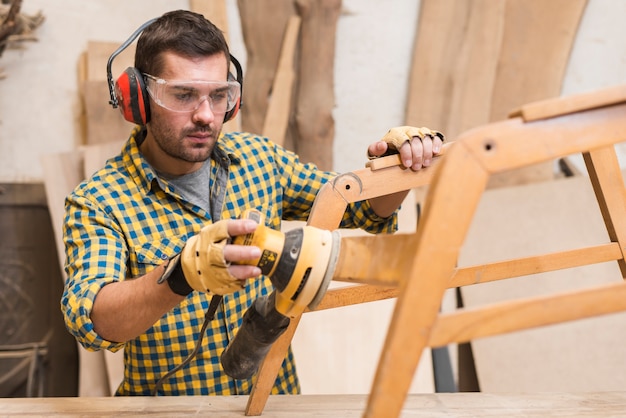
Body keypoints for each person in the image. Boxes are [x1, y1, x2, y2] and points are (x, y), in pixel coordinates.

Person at [61, 9, 443, 397]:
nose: (206, 116)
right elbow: (92, 320)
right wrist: (182, 274)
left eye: (220, 95)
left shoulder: (261, 160)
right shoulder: (99, 201)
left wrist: (400, 163)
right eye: (183, 95)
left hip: (271, 404)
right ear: (139, 99)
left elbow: (364, 209)